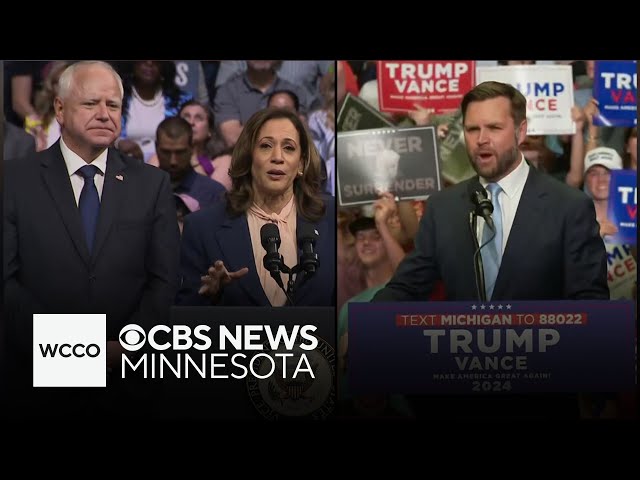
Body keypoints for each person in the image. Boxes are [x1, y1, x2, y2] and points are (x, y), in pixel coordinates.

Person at [3, 61, 180, 411]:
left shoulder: (152, 184)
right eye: (90, 104)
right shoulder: (15, 180)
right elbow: (6, 282)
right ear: (60, 109)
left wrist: (124, 347)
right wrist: (73, 352)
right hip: (36, 380)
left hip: (129, 381)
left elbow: (164, 281)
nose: (104, 114)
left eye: (113, 105)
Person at [373, 81, 608, 302]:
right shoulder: (442, 208)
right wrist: (361, 325)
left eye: (494, 128)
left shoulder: (569, 206)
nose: (481, 139)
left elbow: (590, 302)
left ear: (521, 131)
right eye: (472, 129)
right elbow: (406, 287)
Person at [176, 107, 334, 307]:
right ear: (249, 157)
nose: (277, 157)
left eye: (289, 148)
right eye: (266, 146)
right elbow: (185, 320)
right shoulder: (202, 228)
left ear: (301, 165)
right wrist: (211, 297)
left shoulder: (330, 218)